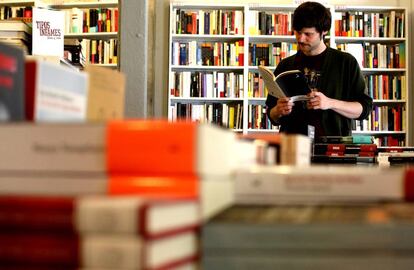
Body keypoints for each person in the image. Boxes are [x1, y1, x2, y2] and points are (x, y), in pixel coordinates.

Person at [266, 1, 372, 137]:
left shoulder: (346, 62)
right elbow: (272, 116)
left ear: (324, 31)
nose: (300, 39)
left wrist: (330, 103)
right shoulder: (285, 65)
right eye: (298, 32)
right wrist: (278, 110)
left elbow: (364, 109)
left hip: (333, 149)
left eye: (308, 34)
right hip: (292, 147)